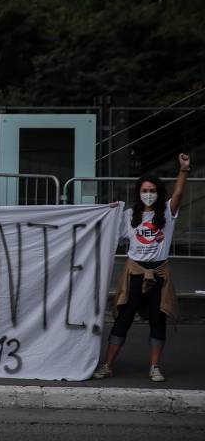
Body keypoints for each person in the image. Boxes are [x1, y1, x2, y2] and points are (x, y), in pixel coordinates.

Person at [93, 153, 191, 383]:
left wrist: (184, 170)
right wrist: (111, 212)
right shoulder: (129, 216)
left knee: (158, 319)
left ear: (158, 192)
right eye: (144, 190)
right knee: (124, 318)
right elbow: (109, 232)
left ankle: (154, 367)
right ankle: (107, 365)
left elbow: (179, 193)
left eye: (152, 190)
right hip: (135, 273)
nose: (148, 194)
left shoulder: (167, 212)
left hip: (160, 274)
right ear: (138, 192)